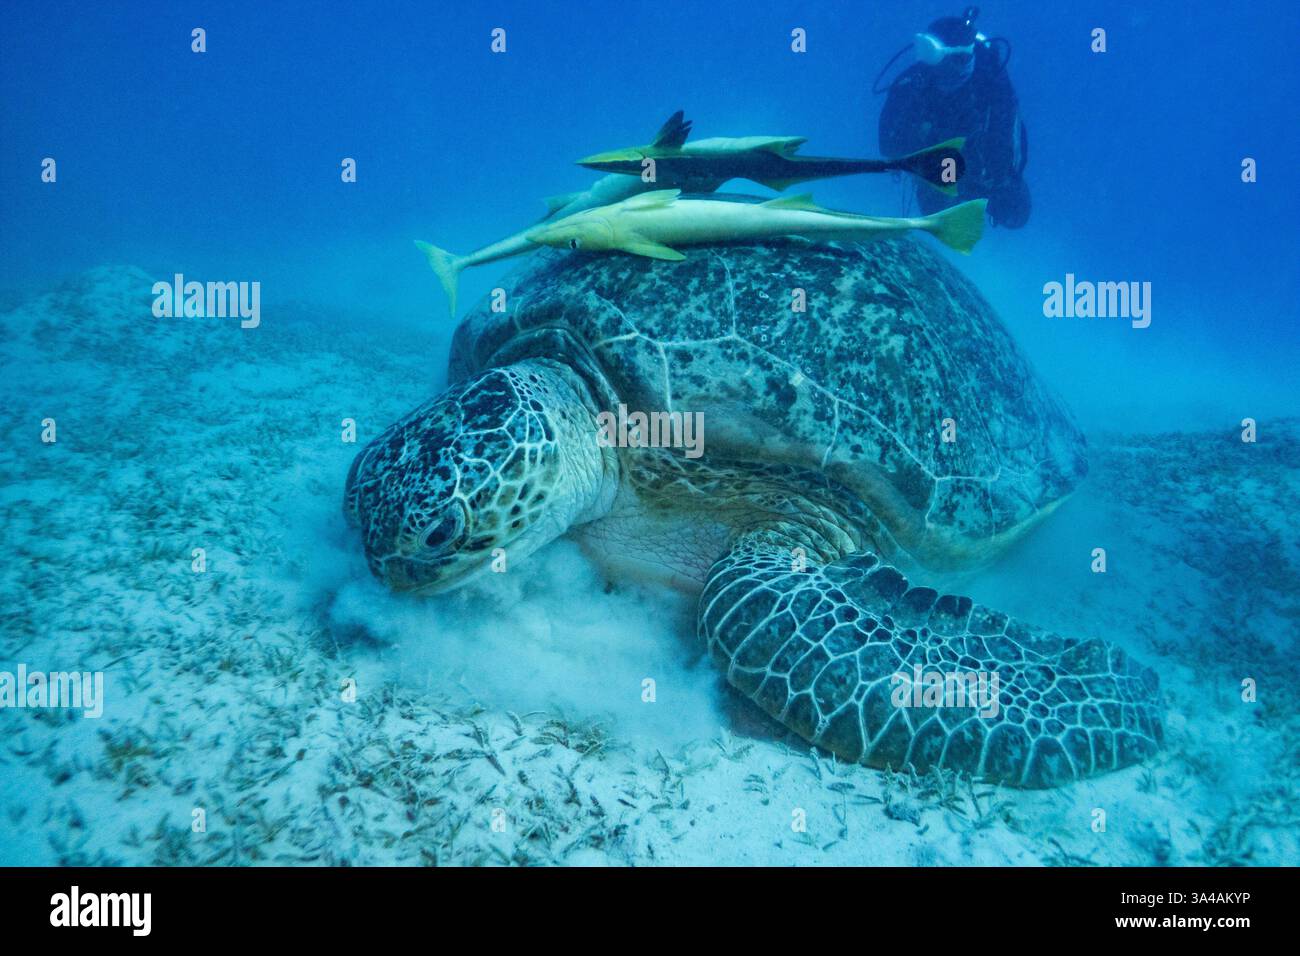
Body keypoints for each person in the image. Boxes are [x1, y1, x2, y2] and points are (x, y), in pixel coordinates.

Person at [875, 6, 1031, 228]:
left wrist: (983, 179)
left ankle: (972, 202)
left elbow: (1006, 159)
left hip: (979, 167)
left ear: (959, 58)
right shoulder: (914, 83)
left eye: (930, 51)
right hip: (936, 162)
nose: (923, 60)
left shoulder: (995, 91)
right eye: (922, 48)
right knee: (935, 210)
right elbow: (888, 145)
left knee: (1015, 213)